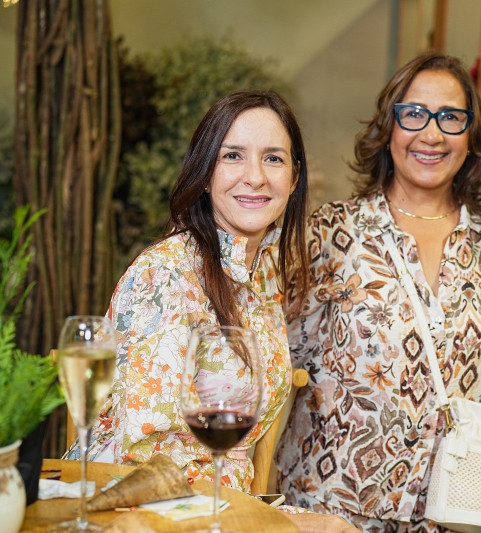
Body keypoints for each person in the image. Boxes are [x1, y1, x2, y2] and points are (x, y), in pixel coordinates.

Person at [69, 90, 357, 532]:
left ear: (295, 177)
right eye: (234, 156)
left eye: (274, 159)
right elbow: (144, 454)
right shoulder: (165, 274)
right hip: (141, 506)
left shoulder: (263, 277)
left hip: (220, 503)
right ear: (205, 174)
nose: (255, 177)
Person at [275, 51, 481, 532]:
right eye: (414, 115)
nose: (432, 134)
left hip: (453, 514)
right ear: (389, 129)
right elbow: (273, 358)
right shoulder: (330, 233)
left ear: (471, 136)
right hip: (334, 512)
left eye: (451, 117)